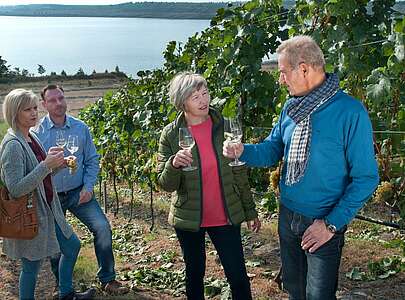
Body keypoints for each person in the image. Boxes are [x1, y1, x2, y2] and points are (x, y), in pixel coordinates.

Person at [223, 35, 379, 300]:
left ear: (304, 68)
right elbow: (273, 149)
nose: (280, 79)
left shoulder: (350, 112)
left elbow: (366, 178)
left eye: (283, 72)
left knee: (319, 296)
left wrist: (330, 225)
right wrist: (242, 151)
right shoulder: (291, 108)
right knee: (294, 291)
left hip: (322, 223)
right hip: (288, 216)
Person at [157, 72, 261, 300]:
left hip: (225, 215)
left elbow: (239, 171)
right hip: (188, 217)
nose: (204, 100)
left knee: (238, 277)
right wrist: (173, 164)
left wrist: (250, 210)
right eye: (196, 97)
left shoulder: (224, 127)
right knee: (194, 275)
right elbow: (165, 184)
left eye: (205, 93)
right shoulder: (171, 134)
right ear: (182, 101)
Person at [0, 89, 95, 300]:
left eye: (35, 107)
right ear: (15, 113)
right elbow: (15, 189)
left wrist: (57, 165)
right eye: (27, 109)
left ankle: (66, 293)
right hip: (32, 215)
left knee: (72, 246)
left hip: (48, 209)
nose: (34, 113)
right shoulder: (12, 146)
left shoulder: (31, 136)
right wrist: (45, 166)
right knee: (31, 267)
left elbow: (40, 173)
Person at [34, 85, 129, 295]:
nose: (58, 103)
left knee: (103, 228)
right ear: (44, 105)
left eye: (61, 98)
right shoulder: (37, 133)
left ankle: (107, 279)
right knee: (58, 244)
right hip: (53, 197)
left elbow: (92, 161)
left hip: (79, 191)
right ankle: (62, 285)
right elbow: (36, 170)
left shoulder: (80, 128)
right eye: (52, 100)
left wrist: (88, 187)